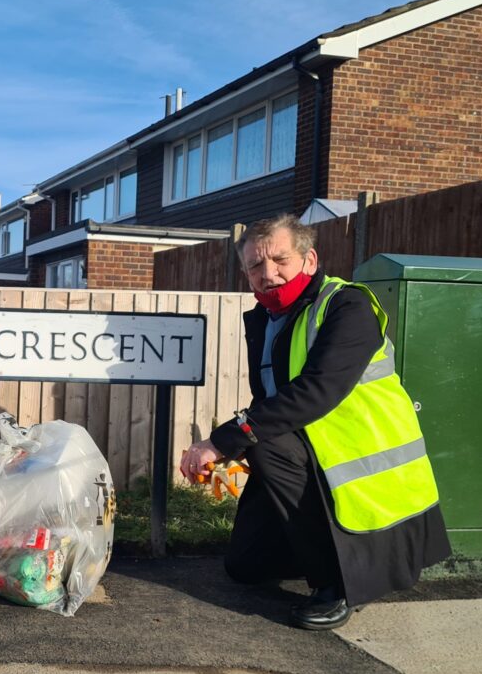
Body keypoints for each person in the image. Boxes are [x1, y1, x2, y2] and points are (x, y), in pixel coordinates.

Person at [180, 214, 450, 630]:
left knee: (264, 443)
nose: (267, 274)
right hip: (309, 451)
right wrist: (236, 444)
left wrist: (222, 441)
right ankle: (314, 553)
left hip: (362, 457)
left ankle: (337, 584)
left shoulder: (347, 305)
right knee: (244, 568)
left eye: (279, 260)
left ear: (309, 260)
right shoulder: (268, 319)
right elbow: (271, 399)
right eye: (255, 265)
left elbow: (316, 391)